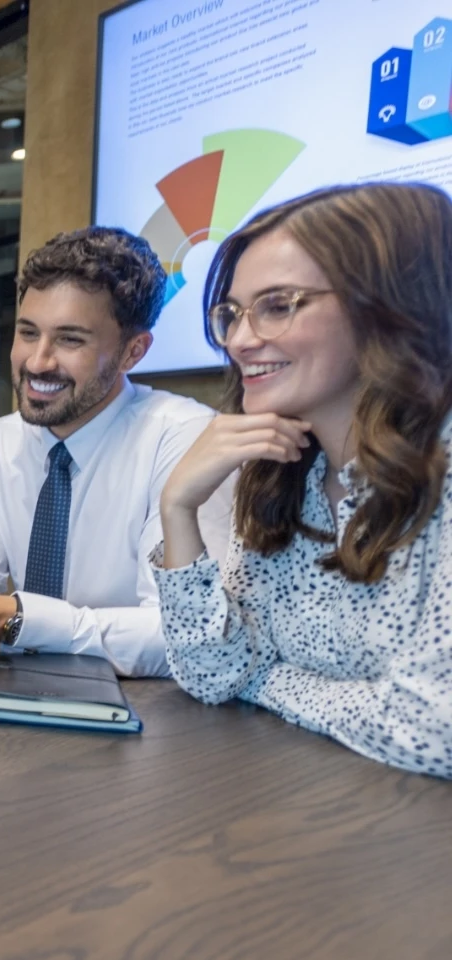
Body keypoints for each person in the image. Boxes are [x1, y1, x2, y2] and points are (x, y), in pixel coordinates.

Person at [155, 182, 452, 778]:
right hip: (313, 812)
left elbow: (433, 728)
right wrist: (178, 508)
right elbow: (213, 673)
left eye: (278, 304)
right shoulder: (286, 470)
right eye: (233, 313)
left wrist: (267, 679)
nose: (239, 340)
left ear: (388, 305)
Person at [0, 227, 231, 677]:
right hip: (8, 699)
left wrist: (16, 619)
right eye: (28, 332)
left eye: (70, 340)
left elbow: (179, 633)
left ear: (132, 352)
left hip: (147, 716)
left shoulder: (184, 439)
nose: (38, 361)